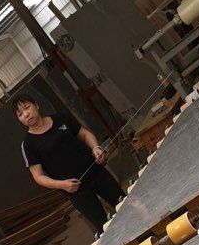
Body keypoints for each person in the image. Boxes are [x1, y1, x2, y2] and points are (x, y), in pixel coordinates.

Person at [15, 94, 125, 235]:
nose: (26, 114)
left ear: (36, 105)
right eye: (20, 114)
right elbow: (38, 176)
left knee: (125, 204)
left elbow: (85, 134)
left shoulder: (60, 118)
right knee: (105, 228)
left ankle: (147, 238)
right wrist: (62, 185)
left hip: (96, 173)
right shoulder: (28, 144)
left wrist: (95, 147)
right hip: (76, 191)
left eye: (27, 107)